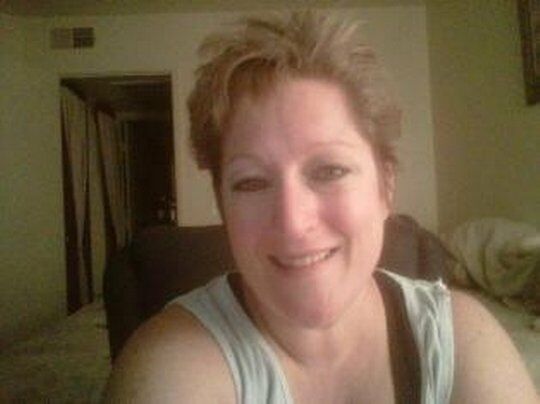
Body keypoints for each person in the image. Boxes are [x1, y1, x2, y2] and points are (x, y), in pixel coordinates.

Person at [104, 11, 539, 403]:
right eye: (251, 182)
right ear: (221, 204)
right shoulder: (171, 367)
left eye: (330, 170)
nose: (293, 223)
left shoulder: (462, 341)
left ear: (386, 186)